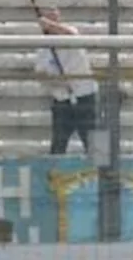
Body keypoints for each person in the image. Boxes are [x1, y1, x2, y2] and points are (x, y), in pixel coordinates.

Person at [34, 8, 98, 155]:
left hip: (85, 96)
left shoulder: (70, 32)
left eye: (54, 20)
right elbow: (40, 74)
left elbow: (71, 34)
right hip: (62, 99)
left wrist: (51, 26)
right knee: (58, 143)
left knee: (94, 141)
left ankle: (104, 173)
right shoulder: (43, 48)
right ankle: (54, 172)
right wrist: (56, 81)